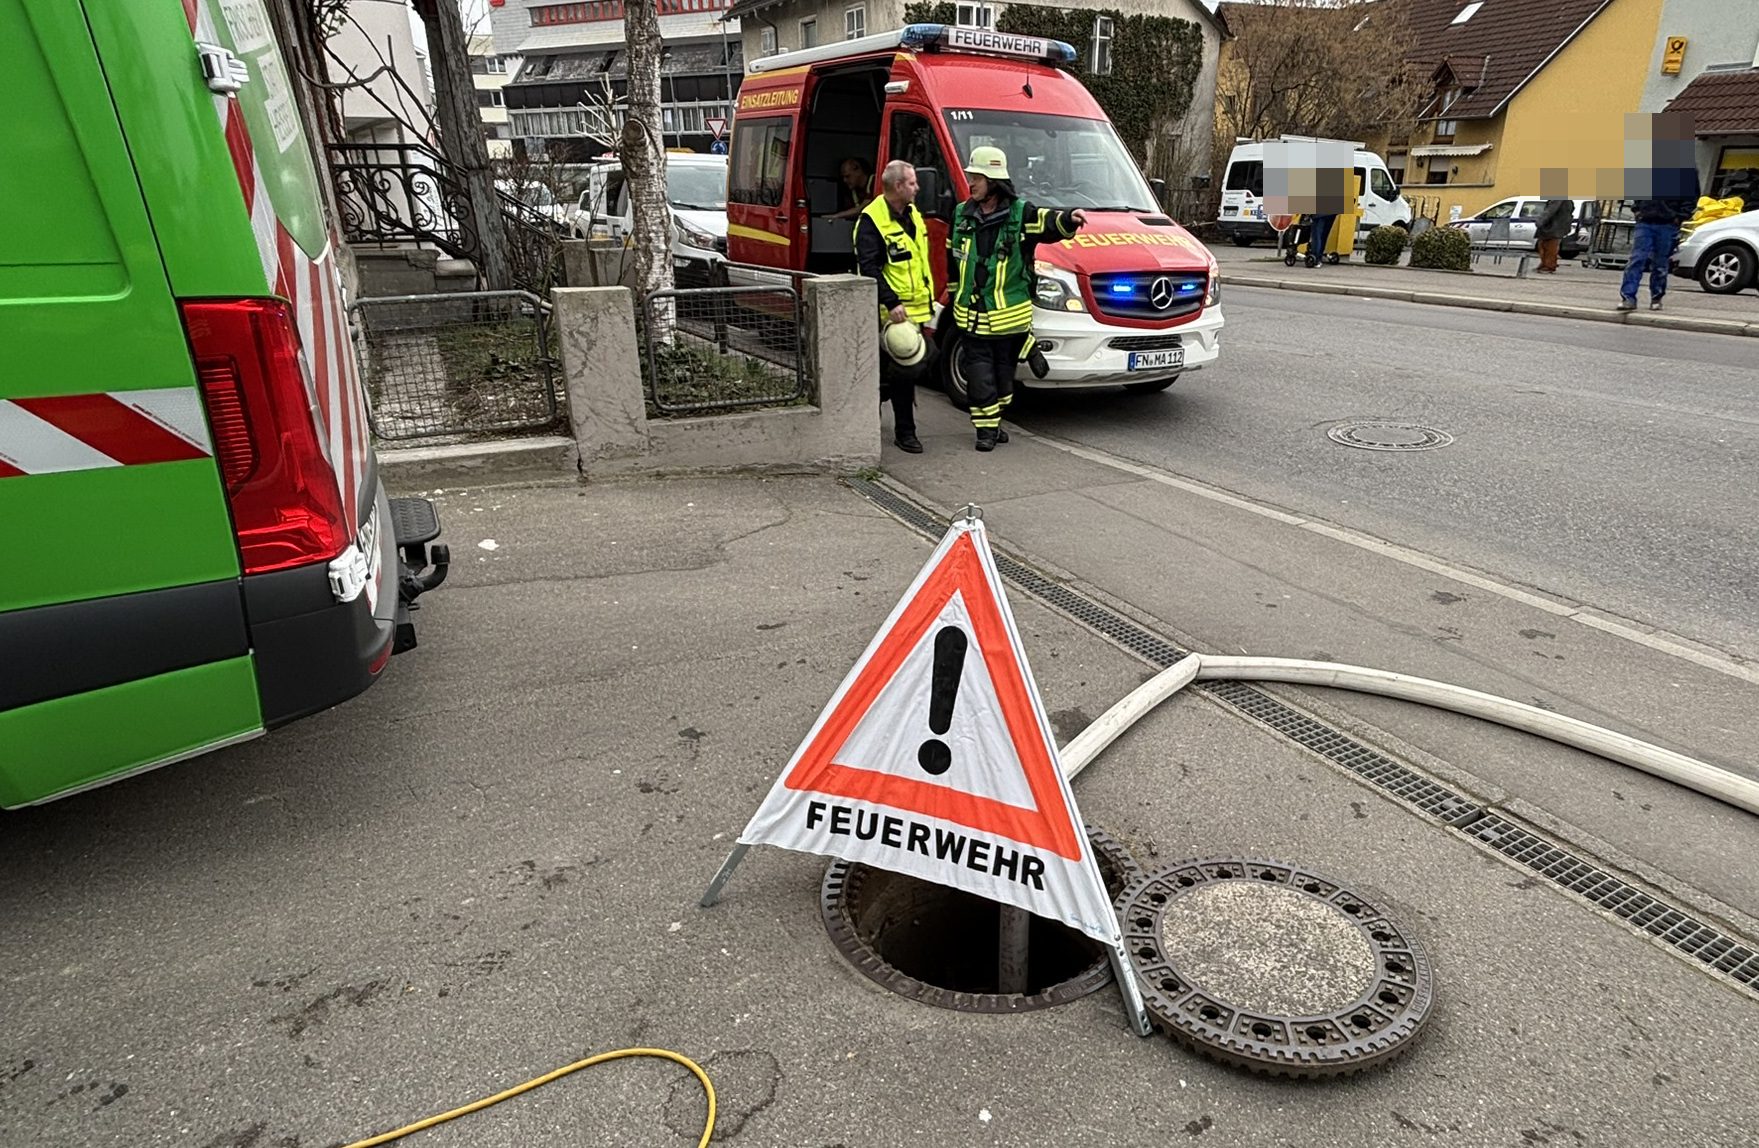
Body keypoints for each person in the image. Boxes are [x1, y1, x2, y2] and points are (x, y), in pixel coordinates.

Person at [950, 146, 1086, 451]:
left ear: (994, 181)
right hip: (972, 316)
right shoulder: (960, 214)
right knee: (979, 375)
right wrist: (953, 289)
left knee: (1002, 380)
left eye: (977, 178)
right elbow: (952, 257)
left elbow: (1047, 222)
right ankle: (984, 431)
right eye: (970, 176)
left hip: (1008, 319)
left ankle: (995, 419)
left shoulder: (1019, 213)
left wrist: (1069, 218)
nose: (970, 183)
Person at [854, 160, 935, 453]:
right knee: (898, 376)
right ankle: (902, 432)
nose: (918, 188)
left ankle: (886, 399)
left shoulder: (912, 214)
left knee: (915, 369)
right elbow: (869, 267)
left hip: (917, 311)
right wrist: (891, 302)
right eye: (912, 183)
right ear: (898, 186)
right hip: (889, 315)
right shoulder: (872, 220)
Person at [1619, 118, 1702, 311]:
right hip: (1645, 221)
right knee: (1636, 260)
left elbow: (1691, 195)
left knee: (1660, 263)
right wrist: (1638, 209)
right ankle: (1628, 298)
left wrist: (1679, 216)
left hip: (1667, 223)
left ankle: (1656, 297)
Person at [826, 157, 875, 221]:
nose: (845, 180)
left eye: (847, 176)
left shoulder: (875, 182)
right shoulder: (851, 191)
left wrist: (835, 216)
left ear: (858, 171)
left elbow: (863, 208)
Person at [1534, 196, 1574, 274]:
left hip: (1553, 227)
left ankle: (1548, 266)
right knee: (1543, 245)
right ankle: (1545, 264)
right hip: (1554, 226)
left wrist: (1540, 221)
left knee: (1550, 246)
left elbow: (1550, 210)